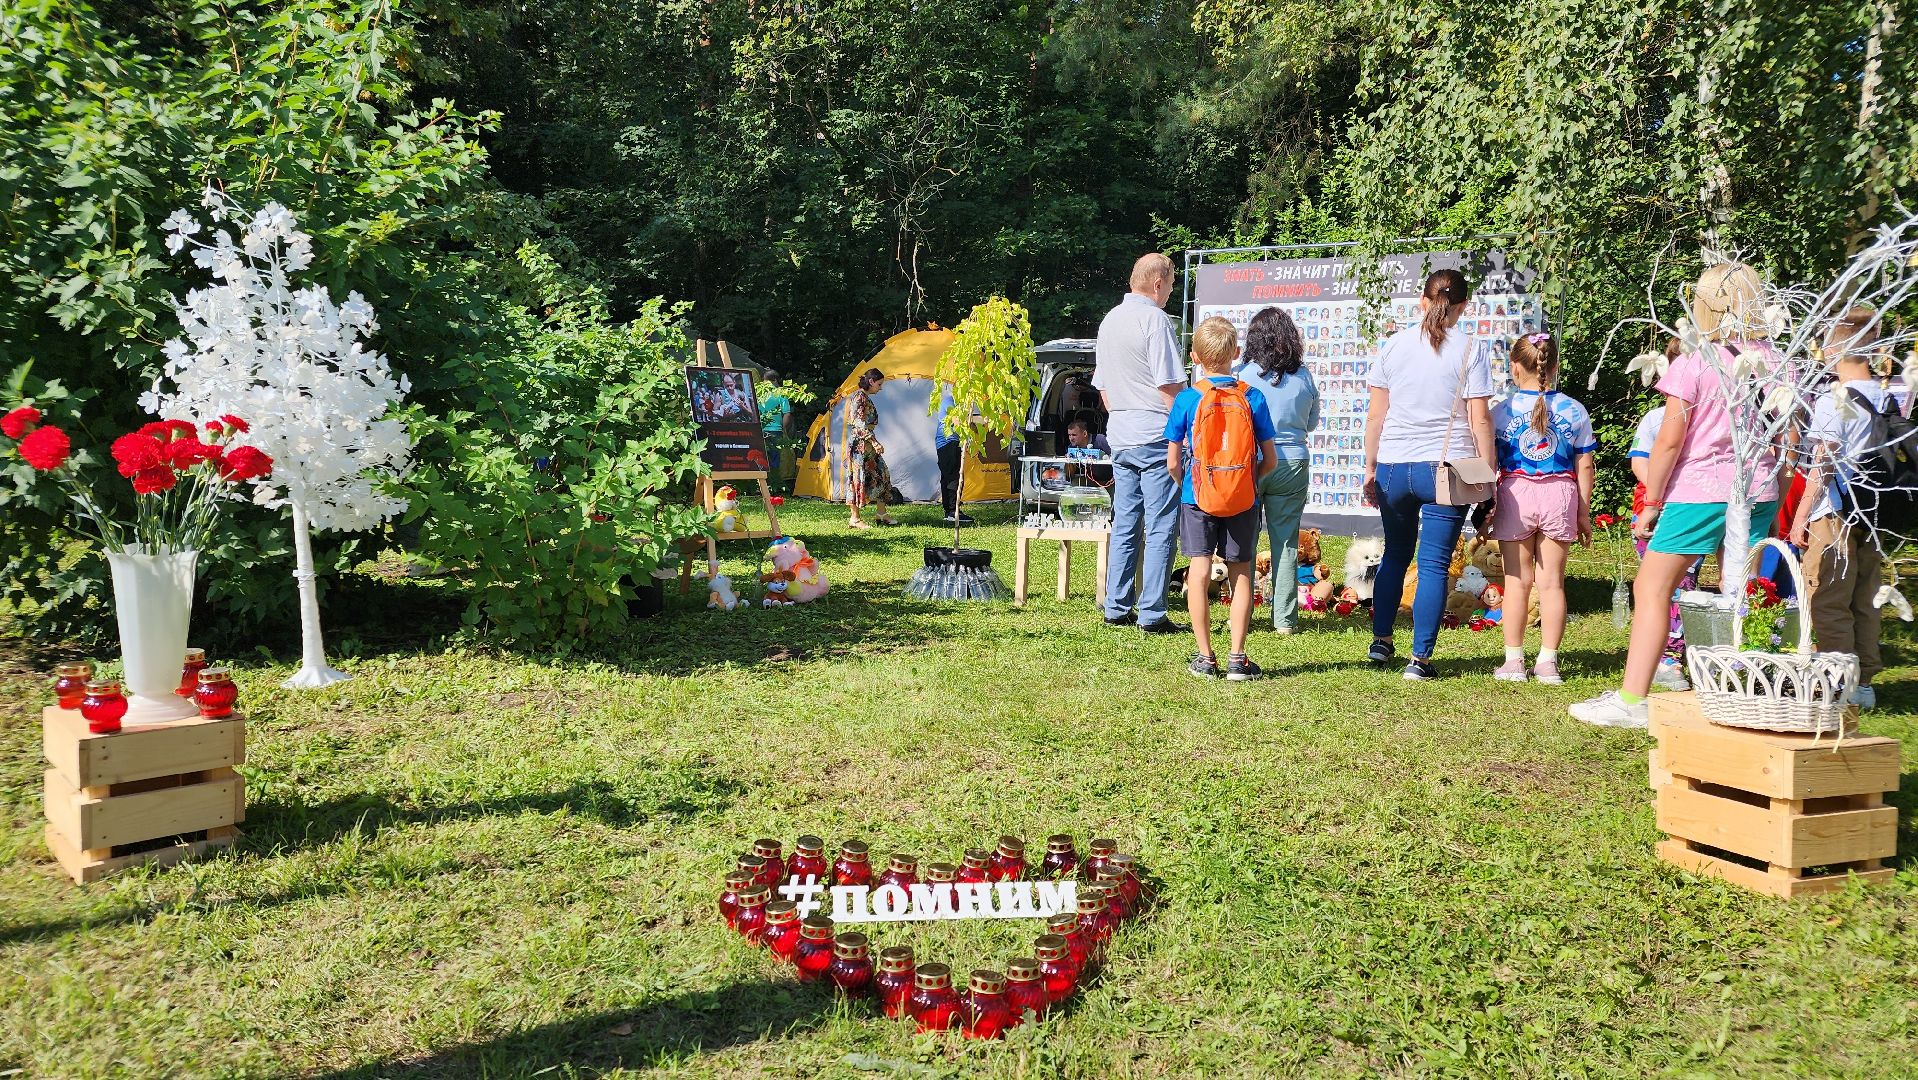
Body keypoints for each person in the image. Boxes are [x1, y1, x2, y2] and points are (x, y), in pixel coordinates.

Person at [1571, 263, 1783, 727]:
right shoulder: (1774, 360)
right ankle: (1748, 692)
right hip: (1759, 487)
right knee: (1740, 590)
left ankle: (1632, 699)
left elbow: (1669, 440)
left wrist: (1651, 503)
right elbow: (1788, 436)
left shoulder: (1696, 361)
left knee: (1651, 586)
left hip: (1702, 490)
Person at [1362, 268, 1496, 680]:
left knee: (1395, 554)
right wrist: (1489, 475)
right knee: (1435, 564)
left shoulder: (1393, 345)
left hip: (1394, 466)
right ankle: (1419, 660)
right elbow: (1480, 420)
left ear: (1422, 301)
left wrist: (1370, 467)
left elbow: (1376, 416)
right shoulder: (1471, 348)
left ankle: (1381, 641)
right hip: (1447, 467)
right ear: (1463, 307)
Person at [1166, 317, 1279, 680]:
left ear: (1195, 357)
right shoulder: (1253, 397)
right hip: (1243, 497)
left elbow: (1172, 463)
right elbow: (1271, 460)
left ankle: (1205, 656)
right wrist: (1247, 483)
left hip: (1198, 495)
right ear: (1237, 353)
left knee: (1199, 571)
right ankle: (1237, 658)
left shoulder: (1187, 398)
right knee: (1241, 572)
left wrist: (1189, 484)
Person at [1788, 307, 1888, 709]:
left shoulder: (1835, 399)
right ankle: (1864, 681)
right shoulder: (1889, 396)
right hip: (1876, 512)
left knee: (1829, 596)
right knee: (1865, 598)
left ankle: (1837, 680)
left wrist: (1800, 515)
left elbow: (1824, 462)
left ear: (1836, 348)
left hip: (1835, 512)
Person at [1487, 333, 1595, 684]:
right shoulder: (1575, 410)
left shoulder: (1500, 412)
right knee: (1552, 585)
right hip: (1560, 494)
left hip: (1515, 493)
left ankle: (1513, 662)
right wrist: (1582, 512)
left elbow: (1489, 462)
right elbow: (1585, 465)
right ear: (1555, 365)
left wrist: (1486, 505)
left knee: (1516, 581)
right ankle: (1548, 662)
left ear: (1515, 368)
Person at [1094, 252, 1187, 633]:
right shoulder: (1154, 320)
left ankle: (1116, 606)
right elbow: (1169, 385)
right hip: (1154, 433)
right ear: (1158, 283)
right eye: (1171, 286)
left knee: (1126, 523)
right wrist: (1185, 432)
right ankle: (1152, 613)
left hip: (1121, 433)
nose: (1170, 293)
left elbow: (1102, 386)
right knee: (1162, 526)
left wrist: (1123, 414)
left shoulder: (1110, 320)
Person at [1233, 307, 1320, 633]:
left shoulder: (1242, 375)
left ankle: (1241, 612)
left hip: (1252, 462)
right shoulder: (1304, 376)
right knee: (1286, 542)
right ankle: (1284, 620)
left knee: (1245, 539)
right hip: (1293, 461)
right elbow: (1311, 423)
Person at [1628, 338, 1694, 692]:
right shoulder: (1655, 418)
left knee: (1684, 585)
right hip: (1655, 510)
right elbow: (1640, 460)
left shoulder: (1708, 417)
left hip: (1689, 507)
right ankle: (1655, 656)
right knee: (1655, 587)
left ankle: (1672, 657)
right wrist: (1658, 493)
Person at [845, 368, 898, 529]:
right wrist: (874, 442)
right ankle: (854, 518)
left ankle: (881, 513)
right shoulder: (859, 397)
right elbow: (859, 424)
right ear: (871, 381)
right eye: (879, 384)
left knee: (882, 474)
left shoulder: (865, 397)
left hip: (867, 444)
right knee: (857, 478)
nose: (880, 388)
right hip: (859, 445)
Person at [932, 381, 973, 525]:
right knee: (953, 477)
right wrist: (978, 420)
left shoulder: (959, 404)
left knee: (950, 476)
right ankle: (952, 511)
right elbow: (957, 422)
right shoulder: (949, 401)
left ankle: (950, 511)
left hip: (951, 442)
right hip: (948, 443)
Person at [761, 382, 792, 476]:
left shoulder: (759, 393)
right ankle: (774, 479)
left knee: (761, 457)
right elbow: (787, 414)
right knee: (774, 457)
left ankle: (762, 480)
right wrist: (784, 429)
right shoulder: (780, 393)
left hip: (760, 429)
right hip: (776, 430)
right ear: (775, 380)